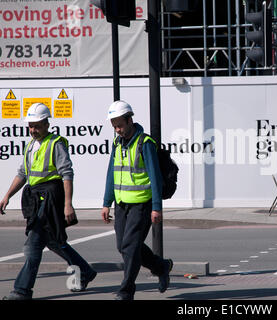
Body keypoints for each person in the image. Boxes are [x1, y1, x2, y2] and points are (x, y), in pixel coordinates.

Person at [0, 103, 97, 300]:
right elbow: (23, 174)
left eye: (37, 125)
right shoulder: (30, 146)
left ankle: (21, 291)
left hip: (51, 199)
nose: (33, 130)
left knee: (33, 245)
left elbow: (66, 174)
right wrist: (7, 195)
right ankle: (85, 271)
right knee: (53, 241)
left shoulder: (56, 143)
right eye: (30, 126)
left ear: (46, 124)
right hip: (36, 199)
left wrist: (68, 204)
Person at [101, 100, 173, 300]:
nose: (117, 129)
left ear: (130, 120)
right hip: (121, 204)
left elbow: (155, 178)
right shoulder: (117, 143)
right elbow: (111, 174)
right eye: (114, 125)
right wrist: (107, 202)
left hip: (142, 204)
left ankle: (126, 291)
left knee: (130, 246)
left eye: (120, 125)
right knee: (123, 247)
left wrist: (156, 208)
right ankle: (161, 266)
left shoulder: (145, 143)